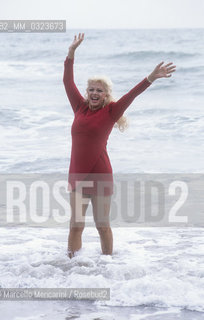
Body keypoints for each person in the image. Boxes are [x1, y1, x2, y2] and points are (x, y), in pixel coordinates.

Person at [63, 33, 176, 258]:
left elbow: (132, 95)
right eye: (91, 89)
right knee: (76, 226)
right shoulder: (79, 107)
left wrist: (151, 77)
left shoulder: (111, 112)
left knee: (102, 226)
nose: (94, 93)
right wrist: (71, 54)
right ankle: (70, 266)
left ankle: (108, 266)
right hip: (77, 175)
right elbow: (67, 81)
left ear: (106, 95)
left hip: (101, 174)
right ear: (87, 93)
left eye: (99, 90)